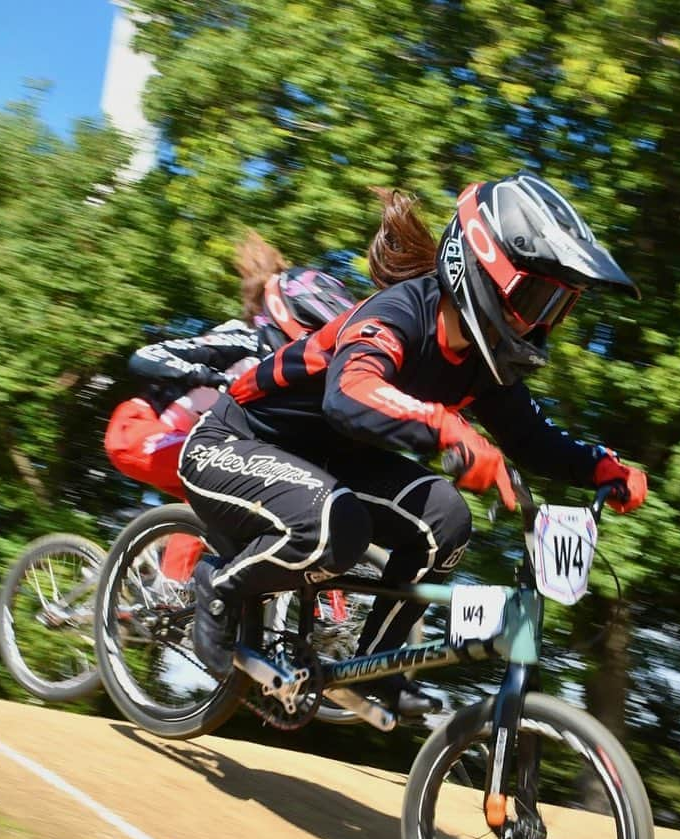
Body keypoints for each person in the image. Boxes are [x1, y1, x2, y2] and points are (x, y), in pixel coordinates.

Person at [178, 172, 649, 717]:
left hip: (326, 465)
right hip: (235, 442)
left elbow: (528, 436)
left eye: (557, 307)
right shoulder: (398, 313)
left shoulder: (480, 362)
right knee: (338, 524)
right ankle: (219, 585)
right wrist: (447, 427)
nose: (541, 323)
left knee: (448, 521)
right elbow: (349, 393)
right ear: (481, 269)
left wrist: (599, 467)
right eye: (535, 298)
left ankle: (376, 665)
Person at [104, 231, 357, 578]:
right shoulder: (243, 339)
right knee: (208, 478)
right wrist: (209, 376)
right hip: (142, 426)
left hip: (198, 442)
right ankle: (169, 589)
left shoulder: (293, 374)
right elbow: (146, 357)